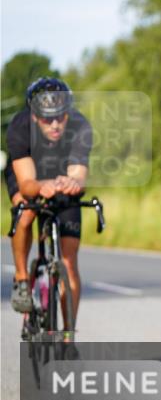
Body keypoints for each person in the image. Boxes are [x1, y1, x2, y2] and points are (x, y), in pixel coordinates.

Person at [6, 78, 93, 336]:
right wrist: (42, 186)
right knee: (25, 212)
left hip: (60, 172)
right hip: (29, 173)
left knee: (69, 261)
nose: (55, 124)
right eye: (47, 119)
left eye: (60, 117)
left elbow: (78, 175)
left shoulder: (80, 126)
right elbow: (27, 185)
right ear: (34, 116)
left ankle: (68, 336)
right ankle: (22, 278)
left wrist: (72, 183)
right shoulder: (20, 127)